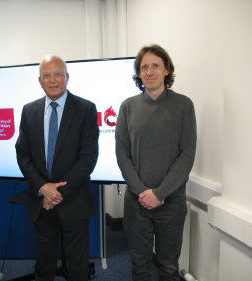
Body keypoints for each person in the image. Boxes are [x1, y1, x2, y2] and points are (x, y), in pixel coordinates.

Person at [115, 44, 197, 281]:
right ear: (138, 73)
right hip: (136, 202)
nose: (149, 71)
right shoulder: (128, 106)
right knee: (139, 267)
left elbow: (187, 156)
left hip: (171, 203)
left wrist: (160, 193)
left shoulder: (184, 105)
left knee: (169, 268)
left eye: (155, 66)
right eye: (144, 67)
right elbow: (122, 153)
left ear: (167, 70)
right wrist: (143, 192)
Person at [15, 55, 99, 281]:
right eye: (46, 75)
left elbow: (88, 157)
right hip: (41, 200)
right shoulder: (29, 111)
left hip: (74, 199)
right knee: (45, 259)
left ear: (67, 77)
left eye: (58, 74)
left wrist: (56, 192)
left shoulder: (85, 109)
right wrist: (43, 187)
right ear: (40, 80)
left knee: (77, 263)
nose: (52, 80)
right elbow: (23, 154)